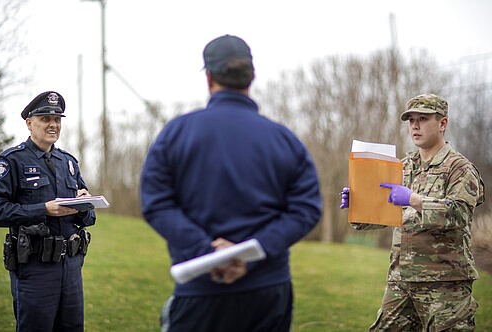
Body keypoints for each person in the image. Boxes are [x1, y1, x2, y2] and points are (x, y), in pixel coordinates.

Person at [140, 34, 322, 332]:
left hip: (201, 288)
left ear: (209, 77)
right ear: (251, 77)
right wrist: (253, 251)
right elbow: (306, 210)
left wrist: (209, 252)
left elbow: (157, 204)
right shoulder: (284, 139)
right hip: (267, 293)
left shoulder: (177, 133)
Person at [340, 93, 485, 331]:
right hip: (401, 279)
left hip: (444, 283)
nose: (415, 125)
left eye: (423, 118)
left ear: (442, 123)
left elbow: (459, 215)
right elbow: (388, 212)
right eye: (411, 120)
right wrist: (358, 205)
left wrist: (414, 200)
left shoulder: (460, 168)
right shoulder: (403, 167)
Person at [0, 91, 96, 332]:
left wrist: (85, 205)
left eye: (57, 119)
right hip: (35, 267)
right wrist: (43, 210)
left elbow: (90, 216)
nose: (53, 125)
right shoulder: (12, 161)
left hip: (71, 267)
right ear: (29, 123)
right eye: (45, 119)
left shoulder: (68, 162)